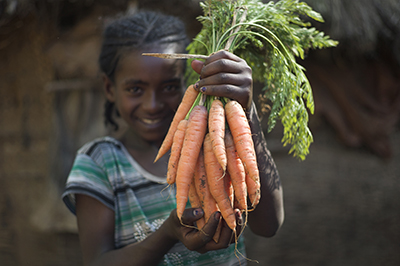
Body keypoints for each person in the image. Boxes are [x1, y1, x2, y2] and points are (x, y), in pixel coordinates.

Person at [62, 10, 284, 266]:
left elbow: (268, 225)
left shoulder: (218, 140)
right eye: (135, 89)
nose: (152, 105)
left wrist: (246, 111)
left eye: (169, 87)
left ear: (187, 81)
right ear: (110, 89)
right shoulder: (98, 163)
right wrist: (167, 234)